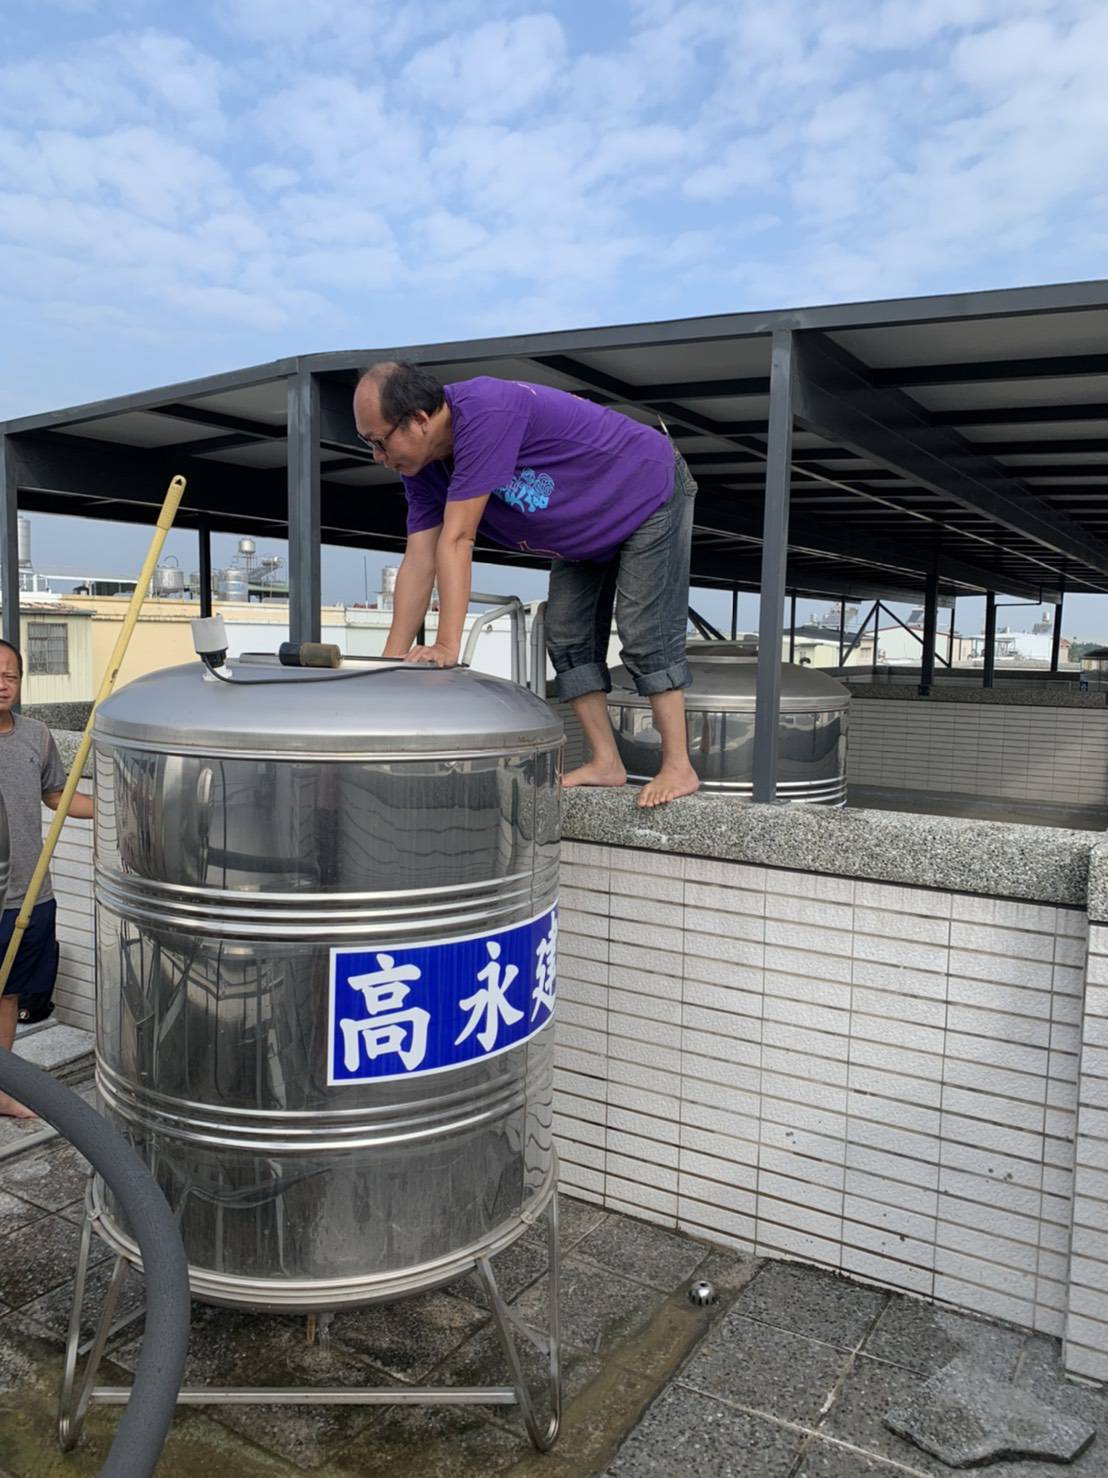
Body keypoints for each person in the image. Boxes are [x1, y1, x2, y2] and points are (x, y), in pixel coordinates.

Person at [352, 363, 700, 808]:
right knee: (568, 634)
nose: (378, 457)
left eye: (380, 442)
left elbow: (458, 539)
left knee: (644, 628)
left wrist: (446, 645)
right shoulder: (420, 468)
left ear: (420, 420)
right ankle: (606, 762)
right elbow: (420, 556)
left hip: (647, 488)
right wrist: (388, 664)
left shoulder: (484, 412)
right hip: (583, 528)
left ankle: (678, 766)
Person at [0, 639, 93, 1118]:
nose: (2, 684)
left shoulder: (36, 736)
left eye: (11, 675)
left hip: (28, 892)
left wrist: (114, 811)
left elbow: (56, 797)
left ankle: (1, 1088)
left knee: (9, 993)